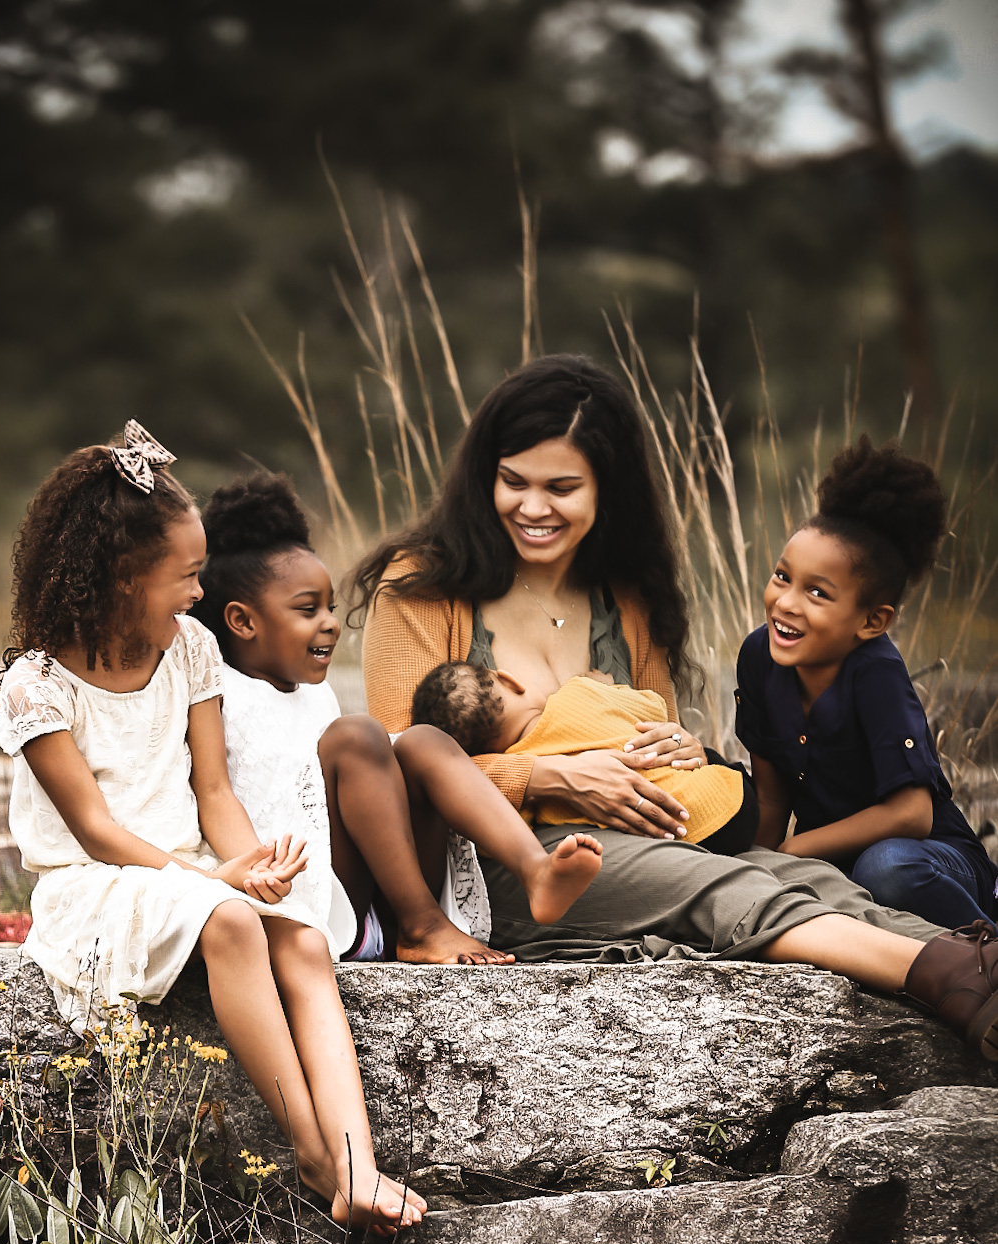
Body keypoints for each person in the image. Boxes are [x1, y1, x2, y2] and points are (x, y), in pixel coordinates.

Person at [354, 353, 998, 1059]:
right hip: (503, 862)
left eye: (562, 488)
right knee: (715, 884)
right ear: (486, 477)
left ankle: (981, 966)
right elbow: (396, 766)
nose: (533, 508)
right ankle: (943, 979)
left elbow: (650, 726)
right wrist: (546, 777)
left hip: (636, 838)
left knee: (801, 875)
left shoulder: (624, 596)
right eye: (513, 481)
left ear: (607, 491)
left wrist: (682, 748)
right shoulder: (419, 585)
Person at [0, 421, 425, 1232]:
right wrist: (216, 885)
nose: (199, 593)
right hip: (100, 886)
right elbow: (93, 830)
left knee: (296, 933)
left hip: (193, 868)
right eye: (185, 575)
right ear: (124, 577)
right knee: (232, 922)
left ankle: (359, 1165)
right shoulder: (36, 685)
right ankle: (312, 1150)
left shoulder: (190, 649)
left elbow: (216, 791)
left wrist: (250, 862)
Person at [191, 472, 603, 968]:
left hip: (373, 899)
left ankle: (534, 871)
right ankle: (423, 926)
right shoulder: (215, 691)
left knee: (422, 740)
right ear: (242, 621)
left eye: (331, 607)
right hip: (308, 903)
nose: (329, 622)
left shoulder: (315, 696)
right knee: (359, 733)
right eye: (307, 610)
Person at [736, 434, 998, 930]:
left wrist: (795, 850)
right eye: (781, 576)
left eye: (817, 592)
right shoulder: (759, 657)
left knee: (886, 867)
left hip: (929, 859)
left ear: (871, 621)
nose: (786, 602)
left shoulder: (874, 669)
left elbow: (912, 814)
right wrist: (754, 867)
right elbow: (771, 798)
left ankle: (983, 956)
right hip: (836, 867)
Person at [410, 659, 757, 853]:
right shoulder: (576, 693)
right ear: (510, 679)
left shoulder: (525, 778)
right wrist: (605, 687)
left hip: (680, 840)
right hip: (729, 802)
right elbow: (654, 708)